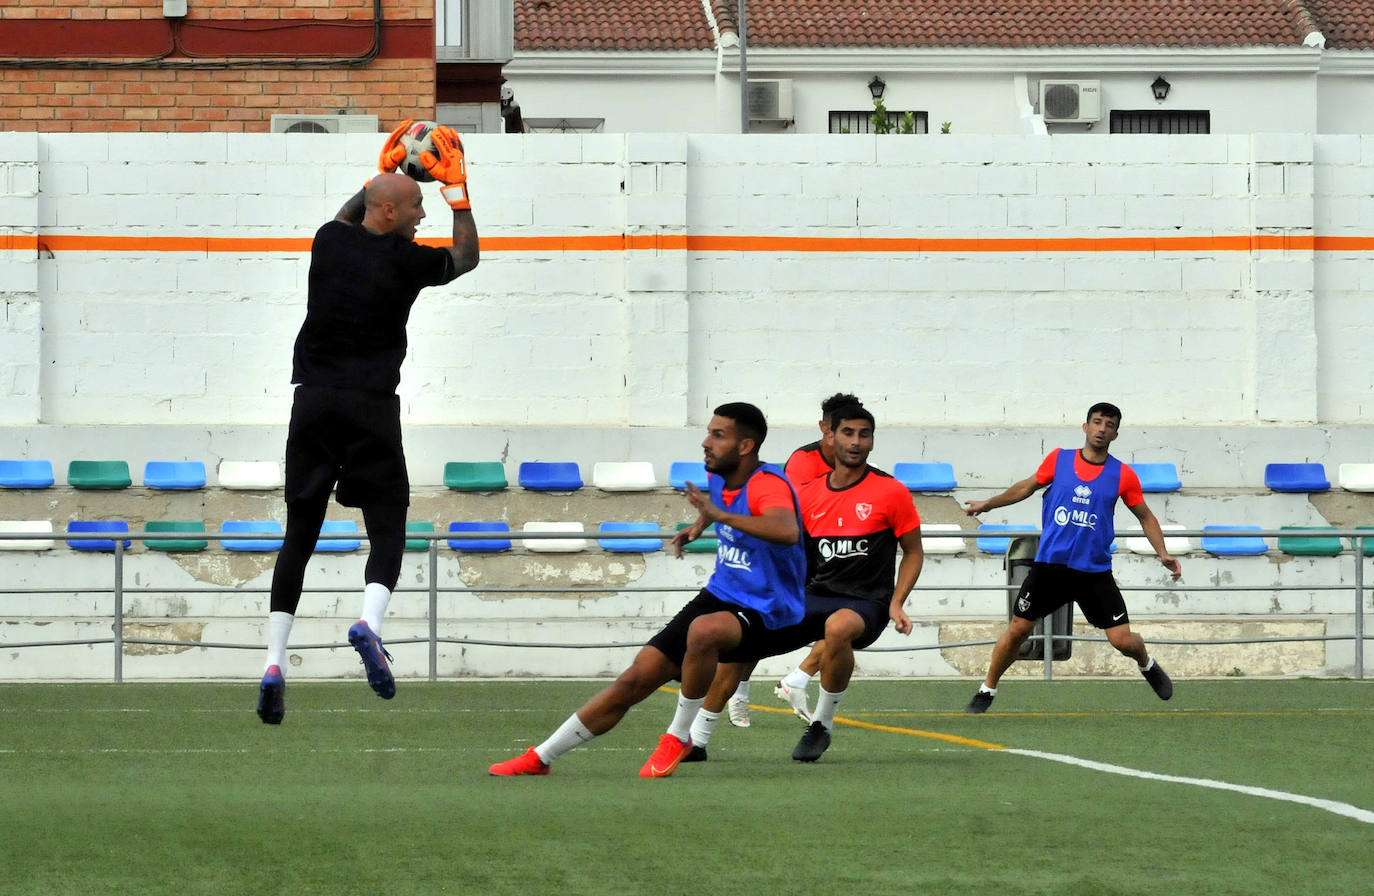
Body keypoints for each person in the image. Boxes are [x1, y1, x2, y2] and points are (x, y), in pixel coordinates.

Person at [256, 121, 480, 725]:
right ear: (389, 211)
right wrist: (458, 192)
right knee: (389, 525)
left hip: (313, 402)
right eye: (414, 205)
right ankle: (368, 623)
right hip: (371, 406)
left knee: (298, 532)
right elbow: (467, 258)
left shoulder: (329, 242)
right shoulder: (409, 263)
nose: (421, 215)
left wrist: (394, 168)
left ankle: (275, 661)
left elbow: (349, 211)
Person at [488, 402, 807, 777]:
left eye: (718, 435)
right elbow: (724, 501)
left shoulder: (769, 485)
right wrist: (700, 524)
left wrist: (719, 517)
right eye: (708, 431)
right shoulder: (722, 473)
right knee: (636, 677)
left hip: (769, 607)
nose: (706, 442)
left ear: (745, 446)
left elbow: (786, 531)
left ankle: (679, 735)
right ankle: (541, 757)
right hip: (724, 592)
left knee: (703, 632)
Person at [686, 403, 924, 763]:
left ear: (873, 441)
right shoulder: (808, 494)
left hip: (866, 602)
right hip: (812, 596)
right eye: (847, 433)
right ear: (830, 436)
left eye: (864, 434)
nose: (856, 442)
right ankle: (696, 739)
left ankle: (821, 726)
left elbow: (914, 551)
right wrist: (703, 525)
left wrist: (897, 602)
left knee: (838, 625)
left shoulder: (891, 491)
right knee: (744, 637)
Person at [962, 402, 1182, 714]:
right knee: (1017, 630)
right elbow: (1026, 487)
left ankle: (1147, 663)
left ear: (1116, 433)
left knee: (1121, 641)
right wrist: (988, 504)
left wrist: (1163, 554)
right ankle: (987, 689)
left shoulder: (1123, 475)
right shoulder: (1059, 460)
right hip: (1050, 567)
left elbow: (1145, 516)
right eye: (1096, 422)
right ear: (1085, 426)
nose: (1101, 429)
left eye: (1109, 425)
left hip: (1093, 571)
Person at [726, 391, 861, 727]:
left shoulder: (855, 462)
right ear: (825, 428)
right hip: (790, 557)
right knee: (762, 626)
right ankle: (739, 693)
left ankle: (796, 680)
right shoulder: (804, 461)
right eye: (837, 431)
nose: (845, 439)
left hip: (829, 557)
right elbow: (805, 511)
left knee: (843, 625)